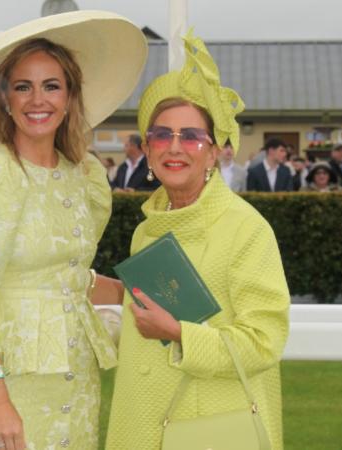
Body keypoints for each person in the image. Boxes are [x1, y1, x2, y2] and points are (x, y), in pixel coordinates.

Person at [0, 12, 147, 450]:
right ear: (5, 98)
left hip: (77, 374)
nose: (36, 99)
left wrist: (134, 293)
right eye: (22, 86)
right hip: (8, 383)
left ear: (69, 97)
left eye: (51, 85)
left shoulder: (84, 177)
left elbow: (68, 278)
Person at [103, 31, 290, 450]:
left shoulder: (246, 228)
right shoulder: (147, 228)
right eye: (161, 135)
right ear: (148, 151)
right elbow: (156, 305)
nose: (175, 147)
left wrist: (181, 335)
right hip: (143, 418)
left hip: (212, 425)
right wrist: (113, 292)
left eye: (190, 136)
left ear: (213, 151)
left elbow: (265, 340)